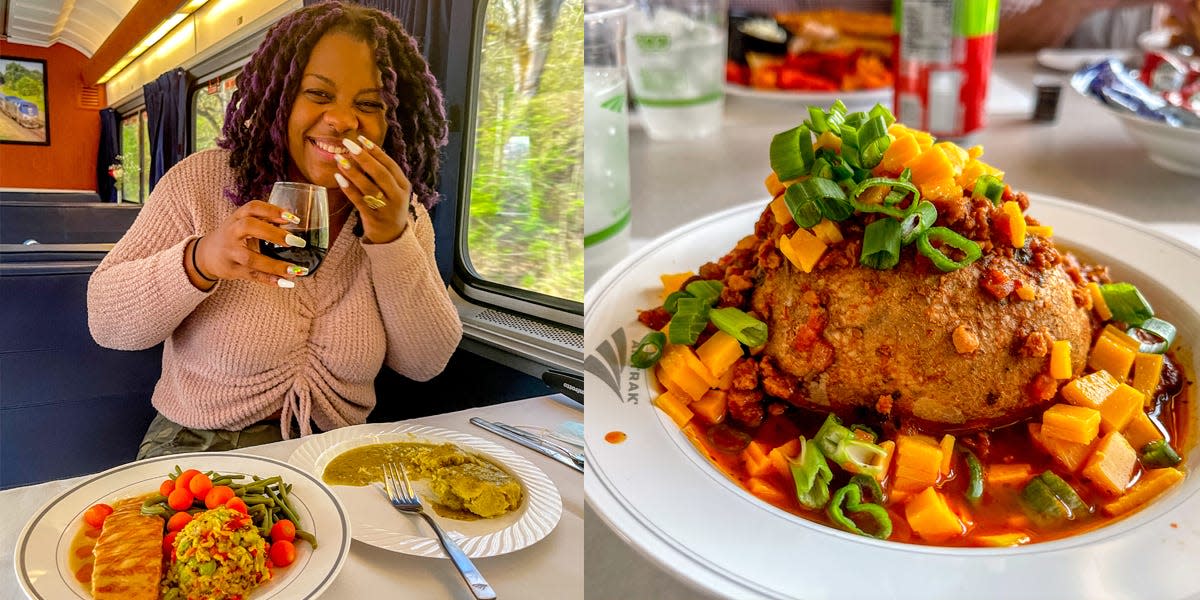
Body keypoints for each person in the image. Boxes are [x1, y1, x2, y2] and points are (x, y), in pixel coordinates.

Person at [86, 0, 463, 458]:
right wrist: (201, 259)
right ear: (280, 98)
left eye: (368, 104)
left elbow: (426, 362)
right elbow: (105, 321)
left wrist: (392, 239)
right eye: (319, 95)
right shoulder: (202, 182)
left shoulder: (402, 213)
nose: (343, 120)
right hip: (201, 447)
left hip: (336, 453)